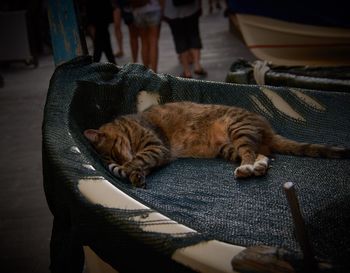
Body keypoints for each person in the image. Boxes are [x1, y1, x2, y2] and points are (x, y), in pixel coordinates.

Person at [163, 0, 207, 78]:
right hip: (191, 8)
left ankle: (187, 71)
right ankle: (197, 65)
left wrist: (162, 9)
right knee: (194, 34)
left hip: (172, 11)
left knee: (179, 38)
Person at [130, 0, 163, 72]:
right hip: (153, 8)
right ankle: (154, 72)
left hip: (138, 11)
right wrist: (162, 9)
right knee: (153, 41)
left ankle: (146, 72)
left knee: (143, 41)